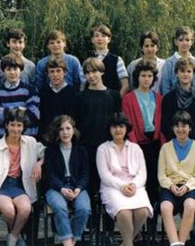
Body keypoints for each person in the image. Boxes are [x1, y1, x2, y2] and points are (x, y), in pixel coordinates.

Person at [0, 108, 45, 246]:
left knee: (25, 208)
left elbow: (46, 152)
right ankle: (18, 238)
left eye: (19, 125)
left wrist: (39, 163)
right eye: (12, 125)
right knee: (9, 211)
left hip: (20, 185)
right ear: (6, 125)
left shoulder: (30, 142)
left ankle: (11, 240)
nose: (16, 129)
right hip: (1, 186)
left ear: (23, 127)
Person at [96, 113, 153, 246]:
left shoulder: (135, 148)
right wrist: (122, 186)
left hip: (135, 185)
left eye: (121, 126)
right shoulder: (103, 149)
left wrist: (134, 185)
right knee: (123, 212)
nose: (118, 130)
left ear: (126, 128)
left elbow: (142, 173)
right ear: (109, 129)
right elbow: (104, 175)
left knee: (142, 211)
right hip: (112, 186)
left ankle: (124, 243)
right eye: (114, 127)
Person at [158, 111, 195, 246]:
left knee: (190, 205)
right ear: (173, 128)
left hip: (190, 186)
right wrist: (171, 185)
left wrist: (187, 186)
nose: (180, 129)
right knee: (165, 207)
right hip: (170, 186)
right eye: (177, 126)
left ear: (190, 128)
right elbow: (161, 174)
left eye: (184, 126)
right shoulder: (165, 148)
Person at [42, 115, 91, 246]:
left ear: (73, 130)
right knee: (60, 208)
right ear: (57, 132)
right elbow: (49, 175)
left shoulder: (81, 150)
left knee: (84, 209)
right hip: (56, 187)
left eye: (68, 128)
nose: (65, 132)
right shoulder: (51, 151)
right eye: (61, 129)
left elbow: (85, 173)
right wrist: (61, 188)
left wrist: (79, 188)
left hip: (77, 186)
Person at [72, 57, 122, 199]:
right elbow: (74, 123)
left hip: (108, 147)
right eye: (87, 73)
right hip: (85, 148)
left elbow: (118, 122)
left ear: (102, 72)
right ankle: (90, 221)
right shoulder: (79, 97)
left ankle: (108, 221)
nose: (91, 76)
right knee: (88, 187)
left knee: (108, 186)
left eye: (94, 71)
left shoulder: (114, 95)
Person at [122, 60, 164, 204]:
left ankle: (152, 218)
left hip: (155, 142)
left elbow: (161, 122)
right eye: (143, 75)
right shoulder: (128, 98)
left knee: (153, 181)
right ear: (137, 77)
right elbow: (128, 123)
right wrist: (135, 145)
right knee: (139, 180)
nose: (146, 79)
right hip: (137, 143)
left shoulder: (159, 98)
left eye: (149, 76)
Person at [0, 54, 40, 138]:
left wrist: (5, 112)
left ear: (21, 70)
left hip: (27, 137)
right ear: (3, 71)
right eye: (8, 69)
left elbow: (33, 115)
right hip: (3, 138)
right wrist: (20, 109)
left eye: (15, 69)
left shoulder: (31, 90)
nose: (12, 72)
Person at [161, 58, 195, 146]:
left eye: (189, 71)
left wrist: (190, 142)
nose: (185, 74)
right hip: (174, 144)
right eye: (182, 71)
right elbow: (165, 125)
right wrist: (178, 140)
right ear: (176, 73)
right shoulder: (168, 98)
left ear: (193, 73)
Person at [39, 57, 76, 140]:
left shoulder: (73, 93)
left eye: (58, 71)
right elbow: (42, 118)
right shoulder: (42, 93)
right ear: (48, 74)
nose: (55, 74)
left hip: (67, 136)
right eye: (52, 71)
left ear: (65, 72)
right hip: (47, 137)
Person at [160, 26, 195, 95]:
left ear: (192, 41)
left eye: (187, 40)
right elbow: (166, 86)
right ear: (176, 42)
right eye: (181, 40)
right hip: (174, 101)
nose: (184, 43)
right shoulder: (169, 62)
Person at [90, 24, 129, 96]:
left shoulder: (117, 60)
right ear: (92, 40)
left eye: (103, 36)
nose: (100, 38)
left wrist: (116, 100)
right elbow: (83, 83)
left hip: (111, 101)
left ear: (109, 39)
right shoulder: (88, 60)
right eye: (97, 36)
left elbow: (125, 85)